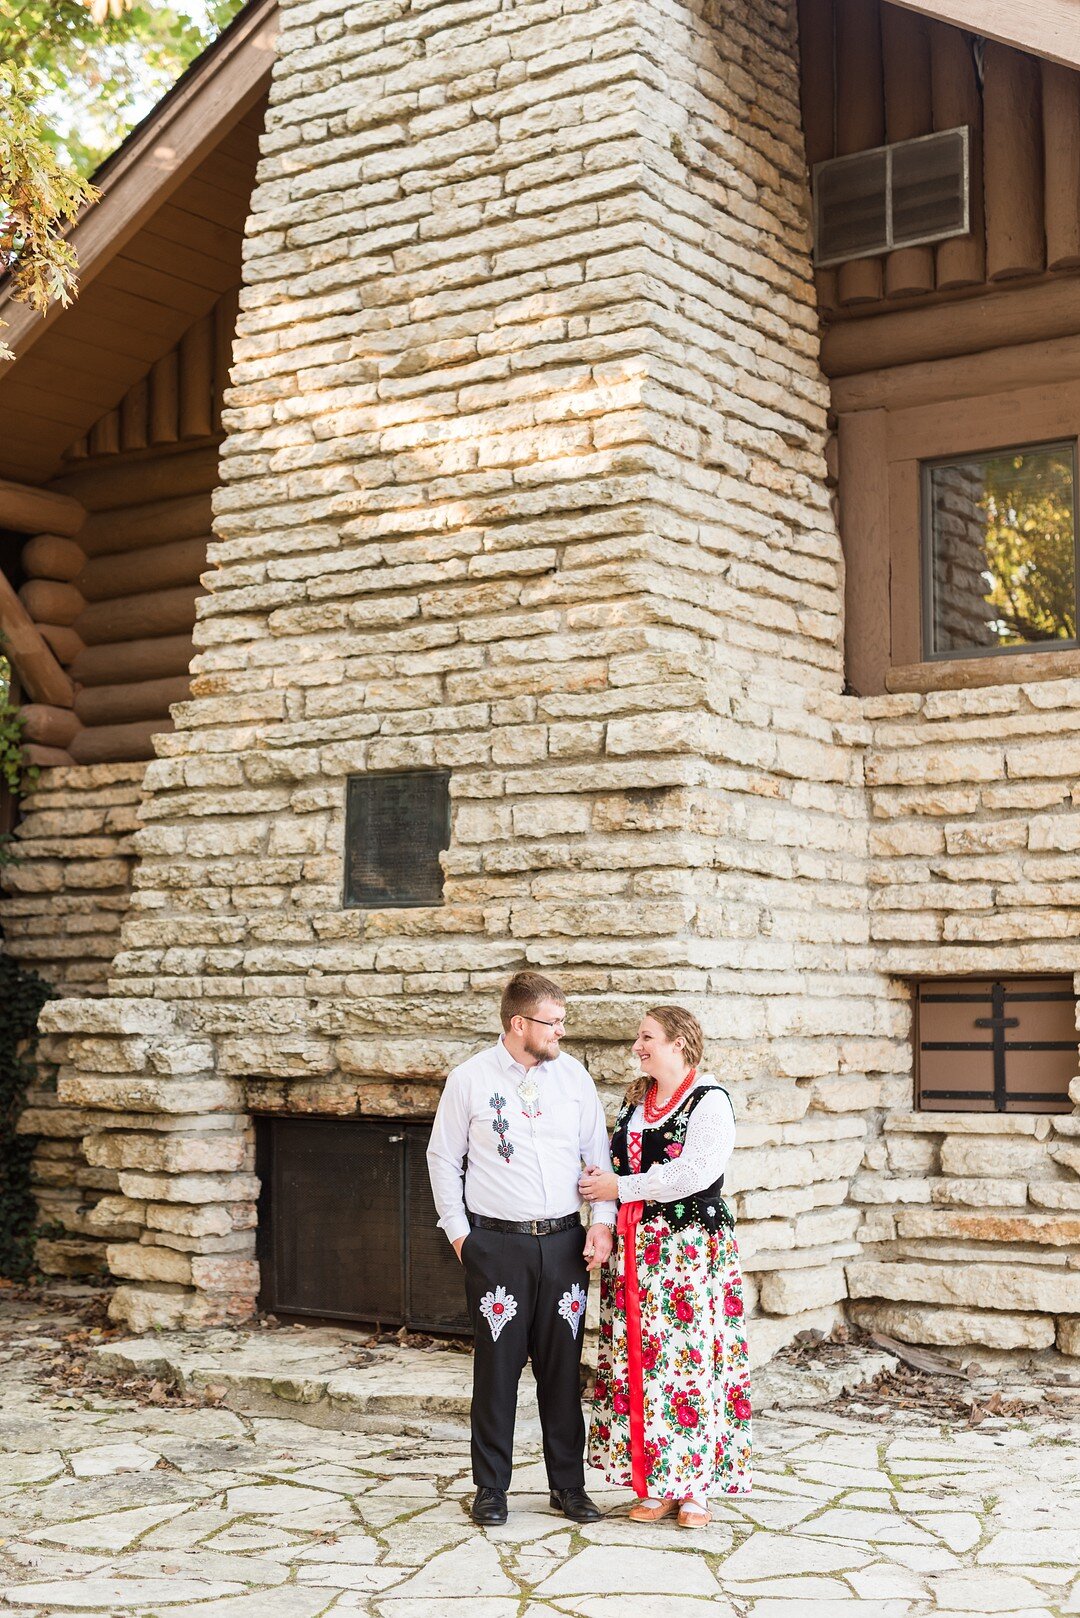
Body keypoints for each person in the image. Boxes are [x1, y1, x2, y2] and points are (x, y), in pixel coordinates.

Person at [427, 970, 617, 1527]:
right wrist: (460, 1235)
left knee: (562, 1369)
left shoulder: (573, 1078)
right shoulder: (469, 1079)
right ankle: (491, 1488)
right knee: (498, 1370)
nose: (561, 1031)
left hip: (563, 1245)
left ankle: (568, 1486)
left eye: (562, 1021)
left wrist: (600, 1223)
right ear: (519, 1023)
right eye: (551, 1023)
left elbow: (597, 1155)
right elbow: (443, 1158)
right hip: (497, 1247)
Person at [580, 1005, 752, 1526]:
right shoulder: (636, 1101)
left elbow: (694, 1174)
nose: (638, 1045)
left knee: (690, 1363)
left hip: (689, 1256)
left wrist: (620, 1188)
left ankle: (696, 1487)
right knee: (646, 1366)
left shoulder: (710, 1102)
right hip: (637, 1255)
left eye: (647, 1036)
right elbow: (609, 1167)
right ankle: (658, 1483)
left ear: (678, 1042)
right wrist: (604, 1216)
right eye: (639, 1037)